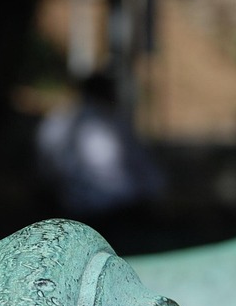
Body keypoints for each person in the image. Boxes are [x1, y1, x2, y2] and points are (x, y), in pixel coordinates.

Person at [35, 71, 165, 251]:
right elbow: (146, 171)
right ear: (107, 94)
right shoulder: (114, 124)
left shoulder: (56, 122)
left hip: (71, 212)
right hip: (116, 215)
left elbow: (45, 170)